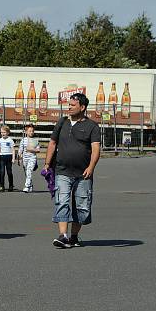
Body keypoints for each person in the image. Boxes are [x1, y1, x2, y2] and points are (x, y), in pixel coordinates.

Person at [44, 92, 100, 248]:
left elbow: (96, 149)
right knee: (62, 202)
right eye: (69, 104)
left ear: (82, 107)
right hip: (62, 171)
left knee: (81, 206)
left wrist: (91, 167)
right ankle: (63, 236)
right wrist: (47, 163)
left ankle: (74, 236)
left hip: (83, 174)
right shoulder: (62, 122)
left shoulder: (92, 126)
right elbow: (52, 143)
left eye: (72, 105)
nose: (69, 107)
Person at [0, 125, 16, 192]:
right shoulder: (0, 140)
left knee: (9, 172)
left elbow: (13, 150)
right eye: (1, 132)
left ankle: (11, 185)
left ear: (8, 133)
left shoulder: (10, 140)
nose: (3, 134)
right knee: (2, 172)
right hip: (2, 157)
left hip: (9, 156)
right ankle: (1, 186)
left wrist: (13, 158)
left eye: (4, 132)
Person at [18, 123, 40, 193]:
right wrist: (19, 157)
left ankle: (26, 186)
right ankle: (30, 185)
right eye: (30, 131)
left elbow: (38, 150)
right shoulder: (23, 140)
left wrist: (31, 149)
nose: (31, 132)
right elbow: (20, 150)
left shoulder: (35, 140)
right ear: (26, 132)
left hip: (32, 158)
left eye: (32, 131)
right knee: (26, 173)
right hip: (25, 158)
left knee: (29, 171)